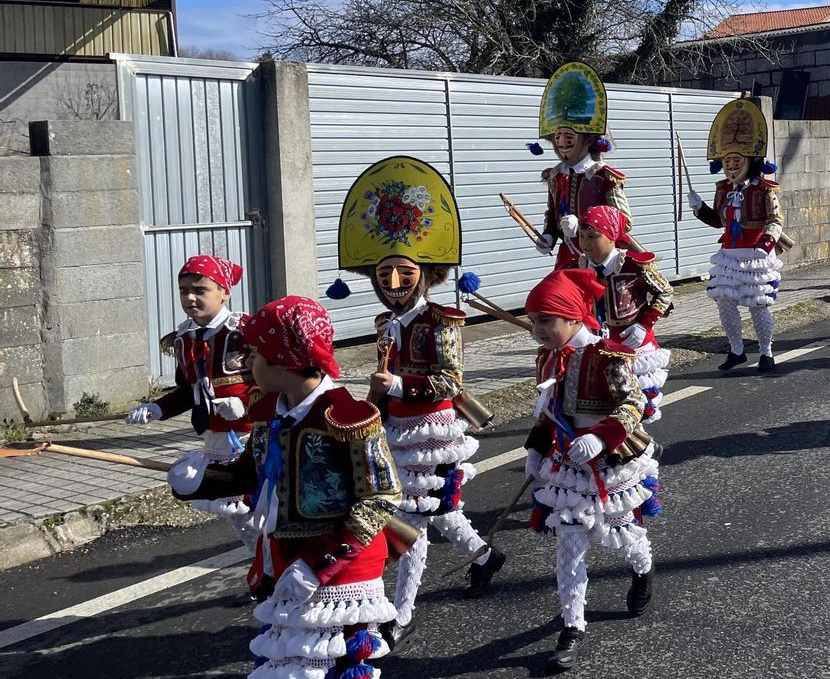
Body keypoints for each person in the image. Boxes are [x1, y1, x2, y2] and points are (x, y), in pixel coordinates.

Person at [170, 295, 402, 679]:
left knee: (332, 664)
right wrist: (197, 482)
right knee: (288, 664)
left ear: (287, 361)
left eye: (256, 353)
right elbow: (251, 474)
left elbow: (379, 499)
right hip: (284, 554)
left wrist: (318, 564)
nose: (247, 363)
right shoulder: (267, 409)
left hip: (341, 565)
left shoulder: (347, 418)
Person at [325, 156, 502, 647]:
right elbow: (382, 386)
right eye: (385, 275)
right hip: (393, 432)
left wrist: (400, 387)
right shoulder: (384, 326)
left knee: (413, 519)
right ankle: (486, 556)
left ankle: (400, 613)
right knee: (436, 512)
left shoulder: (443, 321)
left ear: (426, 274)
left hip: (431, 432)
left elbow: (449, 380)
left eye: (404, 273)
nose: (394, 284)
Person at [522, 269, 661, 672]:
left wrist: (602, 436)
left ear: (572, 318)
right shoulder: (549, 359)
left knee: (624, 535)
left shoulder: (609, 357)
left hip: (611, 462)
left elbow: (634, 406)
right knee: (568, 547)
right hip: (569, 465)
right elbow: (549, 412)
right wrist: (535, 449)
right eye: (533, 321)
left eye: (546, 320)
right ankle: (572, 627)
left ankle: (643, 570)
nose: (537, 330)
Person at [126, 255, 255, 530]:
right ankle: (263, 565)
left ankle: (272, 565)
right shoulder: (184, 339)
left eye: (200, 290)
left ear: (225, 293)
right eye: (184, 291)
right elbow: (188, 391)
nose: (190, 298)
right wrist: (158, 408)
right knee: (240, 519)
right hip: (216, 437)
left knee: (259, 509)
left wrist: (244, 404)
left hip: (252, 433)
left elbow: (274, 383)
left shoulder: (245, 331)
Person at [691, 97, 784, 371]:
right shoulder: (722, 190)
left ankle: (766, 352)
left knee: (758, 305)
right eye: (727, 161)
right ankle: (737, 350)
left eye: (736, 161)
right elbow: (719, 222)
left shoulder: (766, 189)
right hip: (729, 254)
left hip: (756, 254)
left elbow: (776, 221)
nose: (731, 166)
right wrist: (699, 209)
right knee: (725, 302)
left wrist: (765, 246)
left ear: (749, 161)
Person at [531, 62, 632, 269]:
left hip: (601, 259)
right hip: (567, 259)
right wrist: (548, 236)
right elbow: (552, 216)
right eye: (557, 137)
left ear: (587, 140)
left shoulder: (604, 177)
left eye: (569, 136)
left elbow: (624, 221)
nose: (561, 143)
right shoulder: (555, 177)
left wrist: (585, 224)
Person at [579, 205, 673, 418]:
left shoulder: (633, 264)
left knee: (638, 406)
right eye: (581, 236)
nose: (585, 243)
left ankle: (642, 448)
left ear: (612, 237)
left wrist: (644, 325)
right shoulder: (576, 266)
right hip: (596, 346)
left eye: (593, 236)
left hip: (632, 344)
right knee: (603, 407)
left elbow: (665, 292)